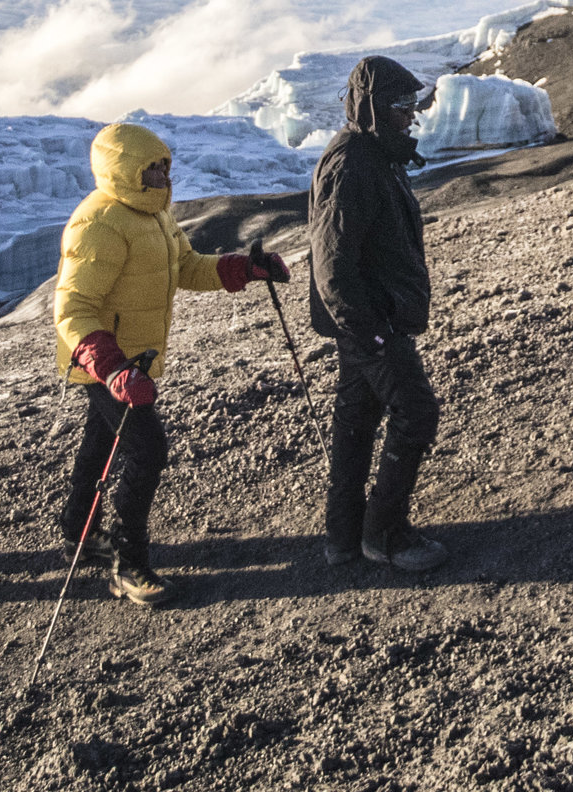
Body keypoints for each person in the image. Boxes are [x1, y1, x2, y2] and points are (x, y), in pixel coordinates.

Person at [53, 120, 286, 607]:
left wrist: (244, 267)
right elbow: (73, 308)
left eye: (164, 166)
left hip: (130, 363)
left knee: (101, 440)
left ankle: (79, 528)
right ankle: (128, 563)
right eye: (151, 168)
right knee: (147, 450)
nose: (162, 176)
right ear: (123, 171)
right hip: (107, 362)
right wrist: (114, 369)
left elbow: (187, 268)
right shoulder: (98, 222)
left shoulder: (155, 215)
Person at [308, 56, 448, 573]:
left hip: (371, 320)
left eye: (412, 104)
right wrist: (374, 332)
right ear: (371, 108)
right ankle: (385, 535)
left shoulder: (376, 154)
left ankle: (343, 539)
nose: (410, 114)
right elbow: (333, 266)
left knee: (356, 422)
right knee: (415, 412)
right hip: (370, 325)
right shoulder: (353, 164)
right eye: (400, 105)